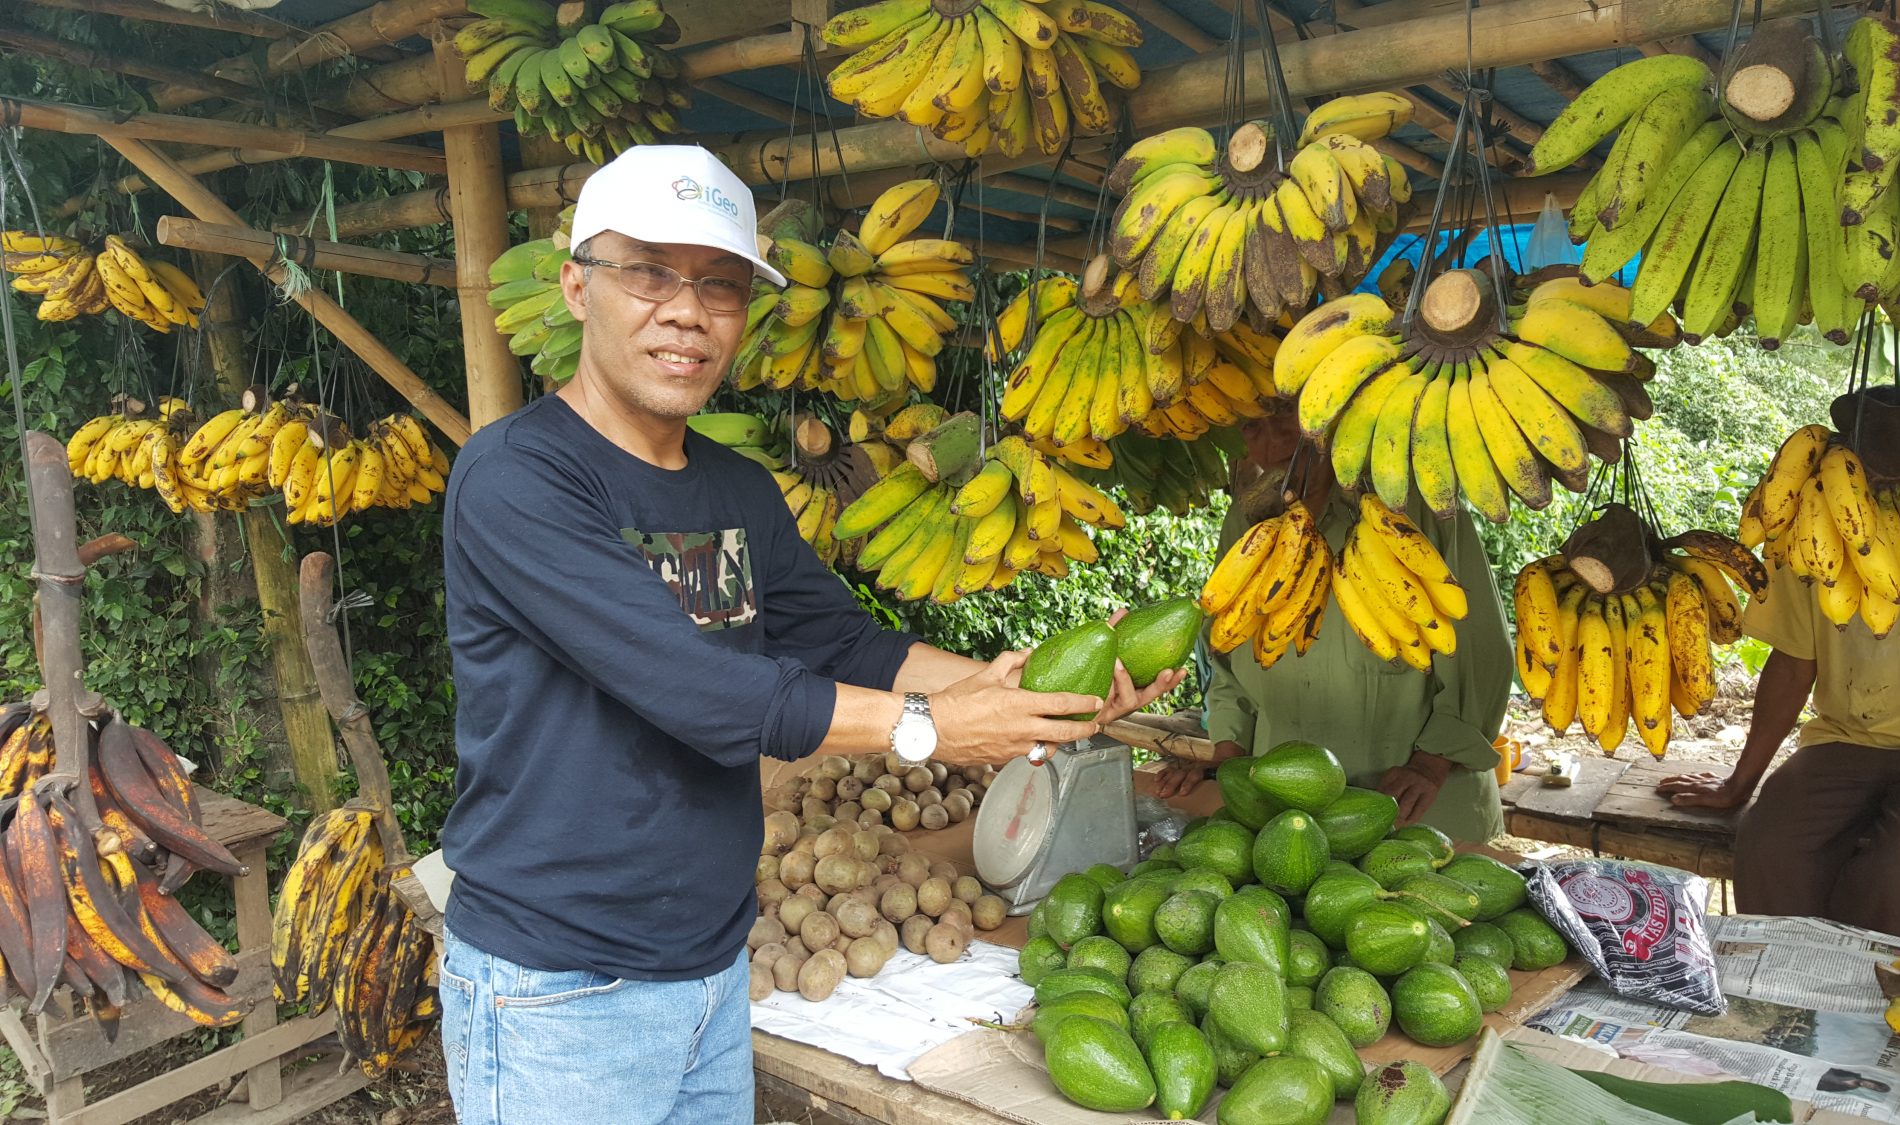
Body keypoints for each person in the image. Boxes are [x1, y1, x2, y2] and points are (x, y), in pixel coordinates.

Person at [436, 146, 1182, 1125]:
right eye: (648, 272)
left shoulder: (735, 490)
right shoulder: (519, 481)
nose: (685, 311)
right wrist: (927, 729)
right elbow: (696, 687)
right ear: (578, 287)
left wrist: (1032, 689)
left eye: (719, 285)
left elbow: (844, 646)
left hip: (711, 970)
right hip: (561, 990)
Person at [1657, 388, 1900, 943]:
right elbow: (1792, 663)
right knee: (1770, 846)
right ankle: (1789, 996)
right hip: (1840, 743)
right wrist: (1740, 783)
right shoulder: (1811, 534)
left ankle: (1882, 1006)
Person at [1155, 403, 1511, 842]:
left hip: (1417, 807)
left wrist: (1432, 763)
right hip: (1287, 807)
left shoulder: (1411, 505)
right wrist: (1226, 759)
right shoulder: (1248, 522)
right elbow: (1227, 650)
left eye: (1286, 416)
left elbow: (1481, 647)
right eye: (1252, 426)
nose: (1276, 440)